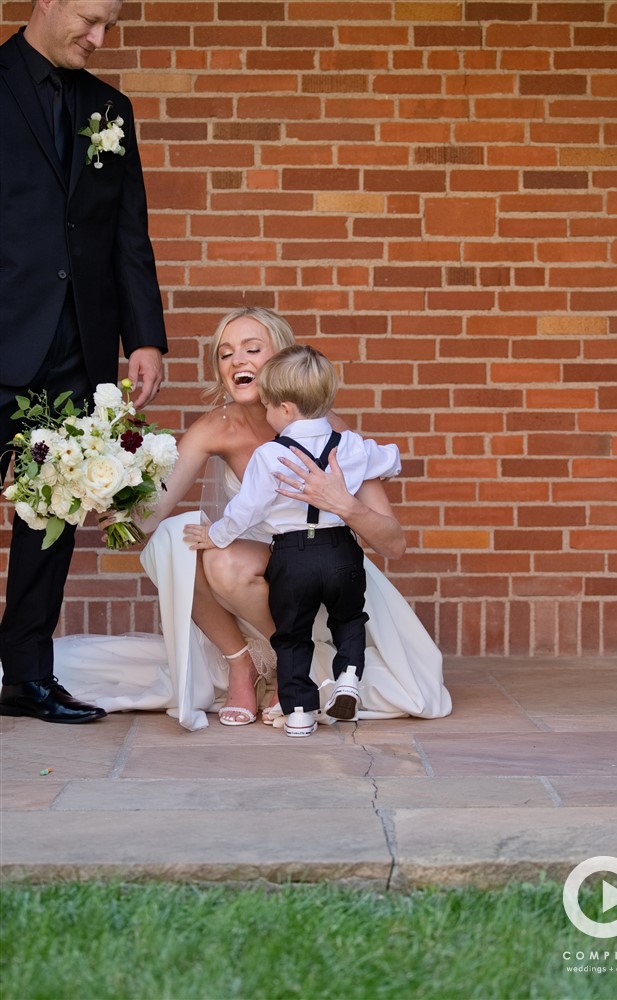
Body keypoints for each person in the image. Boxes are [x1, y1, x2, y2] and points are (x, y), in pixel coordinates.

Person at [49, 306, 452, 731]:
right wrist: (90, 484)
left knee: (235, 559)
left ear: (283, 358)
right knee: (176, 538)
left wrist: (342, 503)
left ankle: (303, 665)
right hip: (261, 571)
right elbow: (146, 522)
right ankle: (245, 665)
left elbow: (394, 543)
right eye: (225, 354)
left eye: (252, 349)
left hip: (328, 575)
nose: (237, 360)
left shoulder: (331, 432)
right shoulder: (215, 428)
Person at [0, 0, 167, 724]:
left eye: (109, 27)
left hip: (76, 351)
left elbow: (128, 230)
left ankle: (26, 677)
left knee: (50, 523)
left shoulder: (111, 109)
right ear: (46, 2)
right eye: (90, 21)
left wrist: (145, 337)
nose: (98, 40)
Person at [184, 345, 402, 737]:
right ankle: (348, 678)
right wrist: (383, 468)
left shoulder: (270, 455)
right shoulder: (350, 445)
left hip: (293, 556)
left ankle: (300, 713)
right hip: (341, 552)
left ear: (285, 409)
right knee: (349, 619)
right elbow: (390, 458)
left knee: (292, 633)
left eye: (269, 407)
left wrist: (215, 536)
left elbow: (245, 510)